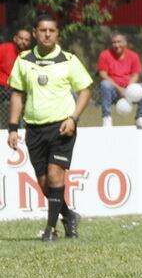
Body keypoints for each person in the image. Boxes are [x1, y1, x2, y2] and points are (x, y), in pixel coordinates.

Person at [6, 15, 92, 241]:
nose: (47, 34)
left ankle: (50, 229)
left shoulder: (68, 59)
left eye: (51, 31)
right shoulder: (24, 60)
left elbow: (85, 90)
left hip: (62, 127)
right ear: (34, 33)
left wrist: (73, 118)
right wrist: (13, 127)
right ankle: (69, 216)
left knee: (55, 176)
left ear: (57, 34)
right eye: (42, 30)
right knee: (45, 184)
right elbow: (17, 94)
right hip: (33, 128)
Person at [97, 32, 142, 127]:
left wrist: (128, 89)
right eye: (114, 42)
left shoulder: (133, 56)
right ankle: (107, 117)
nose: (117, 45)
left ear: (125, 43)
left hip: (129, 89)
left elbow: (135, 75)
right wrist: (120, 89)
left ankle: (140, 117)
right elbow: (103, 75)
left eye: (119, 42)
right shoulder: (104, 55)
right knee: (104, 84)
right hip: (113, 89)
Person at [0, 28, 33, 120]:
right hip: (2, 87)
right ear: (15, 38)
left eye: (27, 40)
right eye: (21, 38)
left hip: (18, 88)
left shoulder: (30, 56)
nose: (23, 42)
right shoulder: (4, 48)